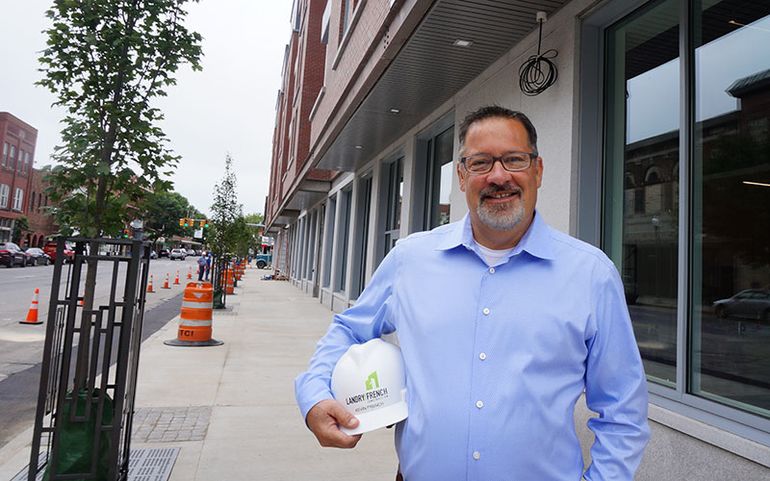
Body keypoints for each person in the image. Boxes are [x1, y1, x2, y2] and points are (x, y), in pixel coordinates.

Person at [295, 106, 649, 480]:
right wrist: (315, 394)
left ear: (538, 171)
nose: (499, 176)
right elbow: (348, 330)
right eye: (481, 163)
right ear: (462, 176)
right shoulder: (410, 260)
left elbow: (623, 410)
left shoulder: (591, 275)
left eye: (514, 159)